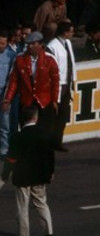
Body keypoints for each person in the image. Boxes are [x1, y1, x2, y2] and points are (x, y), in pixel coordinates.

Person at [2, 105, 55, 236]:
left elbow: (11, 158)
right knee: (42, 204)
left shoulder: (18, 137)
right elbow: (50, 156)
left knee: (22, 206)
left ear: (23, 119)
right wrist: (50, 173)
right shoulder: (44, 134)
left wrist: (5, 174)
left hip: (22, 177)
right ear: (36, 118)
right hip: (39, 176)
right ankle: (49, 234)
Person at [2, 31, 59, 136]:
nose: (29, 46)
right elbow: (13, 81)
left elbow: (55, 82)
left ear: (40, 44)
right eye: (28, 44)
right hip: (26, 100)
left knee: (44, 129)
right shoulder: (20, 59)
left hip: (44, 101)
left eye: (33, 43)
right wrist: (8, 99)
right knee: (26, 129)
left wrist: (55, 100)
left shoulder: (50, 59)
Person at [46, 21, 76, 152]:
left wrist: (73, 79)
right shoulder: (52, 46)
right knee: (53, 115)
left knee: (63, 114)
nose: (72, 33)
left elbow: (71, 62)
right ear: (64, 32)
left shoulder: (68, 43)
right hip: (57, 84)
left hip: (67, 83)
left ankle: (58, 141)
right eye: (70, 31)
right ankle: (49, 142)